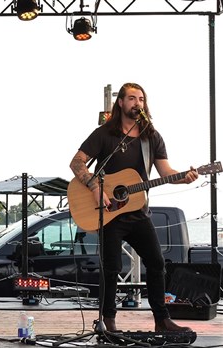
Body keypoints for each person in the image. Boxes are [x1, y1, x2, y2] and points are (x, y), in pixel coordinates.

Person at [69, 82, 197, 332]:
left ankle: (162, 320)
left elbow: (165, 171)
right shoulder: (105, 134)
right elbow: (76, 163)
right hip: (109, 214)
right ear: (121, 103)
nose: (137, 103)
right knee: (112, 267)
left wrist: (185, 175)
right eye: (131, 98)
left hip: (138, 212)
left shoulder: (152, 137)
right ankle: (108, 321)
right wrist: (96, 188)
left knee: (157, 263)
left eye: (141, 99)